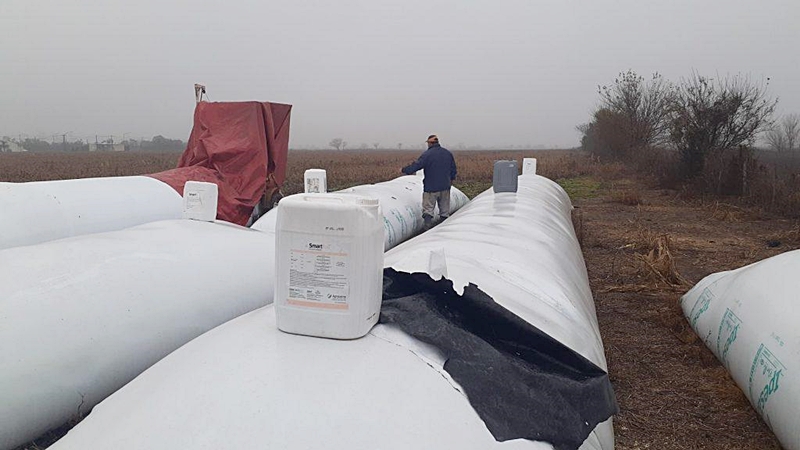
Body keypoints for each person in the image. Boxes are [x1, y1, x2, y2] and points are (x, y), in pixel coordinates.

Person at [401, 135, 457, 229]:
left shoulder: (427, 155)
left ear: (430, 143)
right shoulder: (447, 153)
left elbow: (417, 165)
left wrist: (405, 170)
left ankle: (427, 228)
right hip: (445, 186)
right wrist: (451, 179)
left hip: (431, 187)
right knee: (444, 210)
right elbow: (453, 169)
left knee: (428, 210)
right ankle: (444, 228)